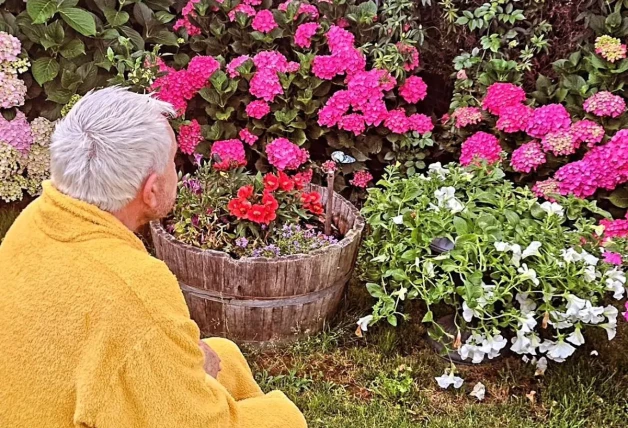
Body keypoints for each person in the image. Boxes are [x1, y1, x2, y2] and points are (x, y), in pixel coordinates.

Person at [0, 87, 307, 428]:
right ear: (151, 190)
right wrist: (284, 415)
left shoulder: (36, 219)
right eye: (174, 162)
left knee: (224, 356)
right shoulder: (136, 288)